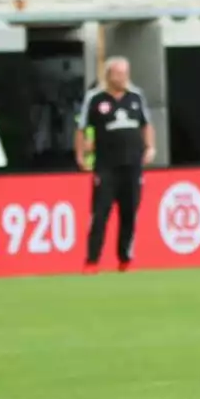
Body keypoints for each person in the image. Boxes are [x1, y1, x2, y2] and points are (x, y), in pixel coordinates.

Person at [76, 56, 155, 274]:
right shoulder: (95, 98)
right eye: (118, 74)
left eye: (125, 74)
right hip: (106, 167)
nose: (123, 78)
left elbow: (146, 125)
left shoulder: (136, 96)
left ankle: (125, 259)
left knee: (129, 213)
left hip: (132, 165)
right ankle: (92, 261)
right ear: (109, 75)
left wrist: (150, 147)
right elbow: (81, 128)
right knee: (100, 213)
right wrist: (81, 155)